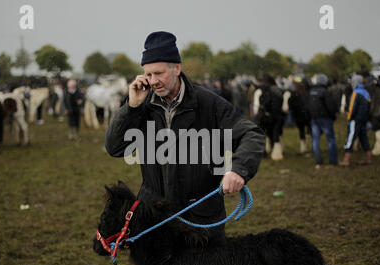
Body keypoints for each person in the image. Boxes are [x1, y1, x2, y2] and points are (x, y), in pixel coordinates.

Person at [105, 31, 265, 246]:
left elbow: (251, 134)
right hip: (155, 218)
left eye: (159, 73)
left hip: (201, 220)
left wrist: (238, 169)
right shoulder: (140, 105)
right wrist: (131, 108)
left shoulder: (209, 104)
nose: (153, 81)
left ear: (177, 68)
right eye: (148, 74)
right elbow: (115, 147)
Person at [339, 75, 372, 166]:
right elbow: (369, 108)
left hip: (355, 120)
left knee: (350, 139)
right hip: (363, 120)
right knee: (364, 139)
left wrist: (349, 119)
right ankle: (368, 158)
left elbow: (352, 108)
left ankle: (346, 160)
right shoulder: (366, 93)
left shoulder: (355, 93)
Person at [306, 74, 338, 169]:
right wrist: (333, 116)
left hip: (314, 119)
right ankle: (333, 161)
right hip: (325, 119)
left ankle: (318, 161)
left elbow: (307, 106)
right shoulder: (325, 92)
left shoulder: (310, 92)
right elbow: (331, 106)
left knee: (316, 140)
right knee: (331, 139)